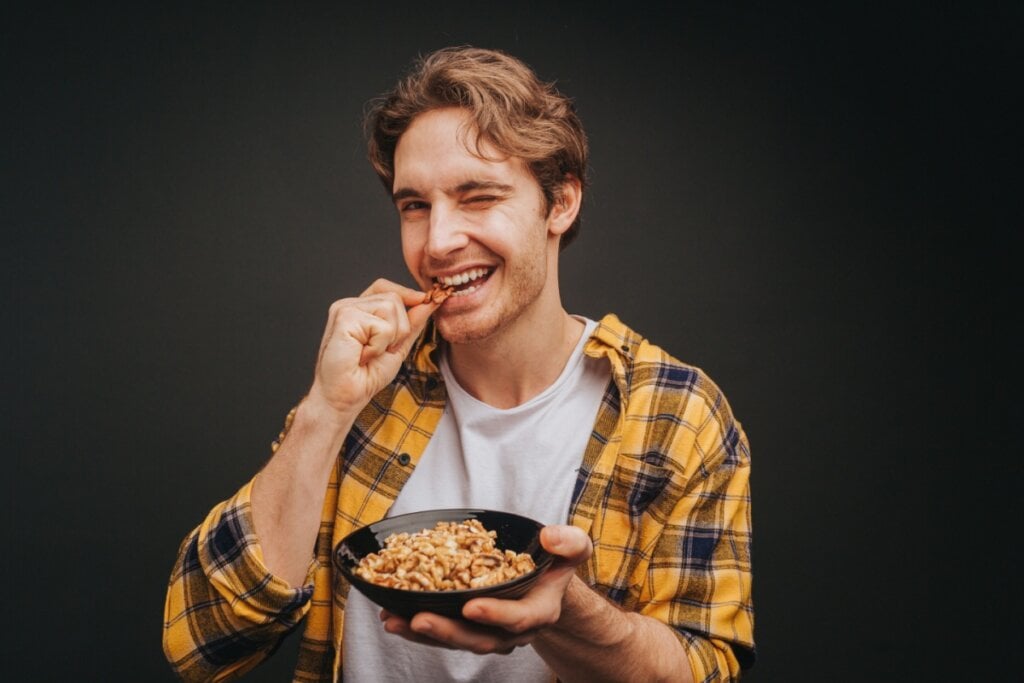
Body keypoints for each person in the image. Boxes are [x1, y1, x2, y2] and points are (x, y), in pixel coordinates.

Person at [163, 46, 754, 682]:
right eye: (415, 205)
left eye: (477, 197)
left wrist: (567, 614)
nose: (438, 242)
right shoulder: (363, 394)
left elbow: (705, 668)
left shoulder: (676, 414)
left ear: (560, 205)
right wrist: (325, 411)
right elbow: (200, 646)